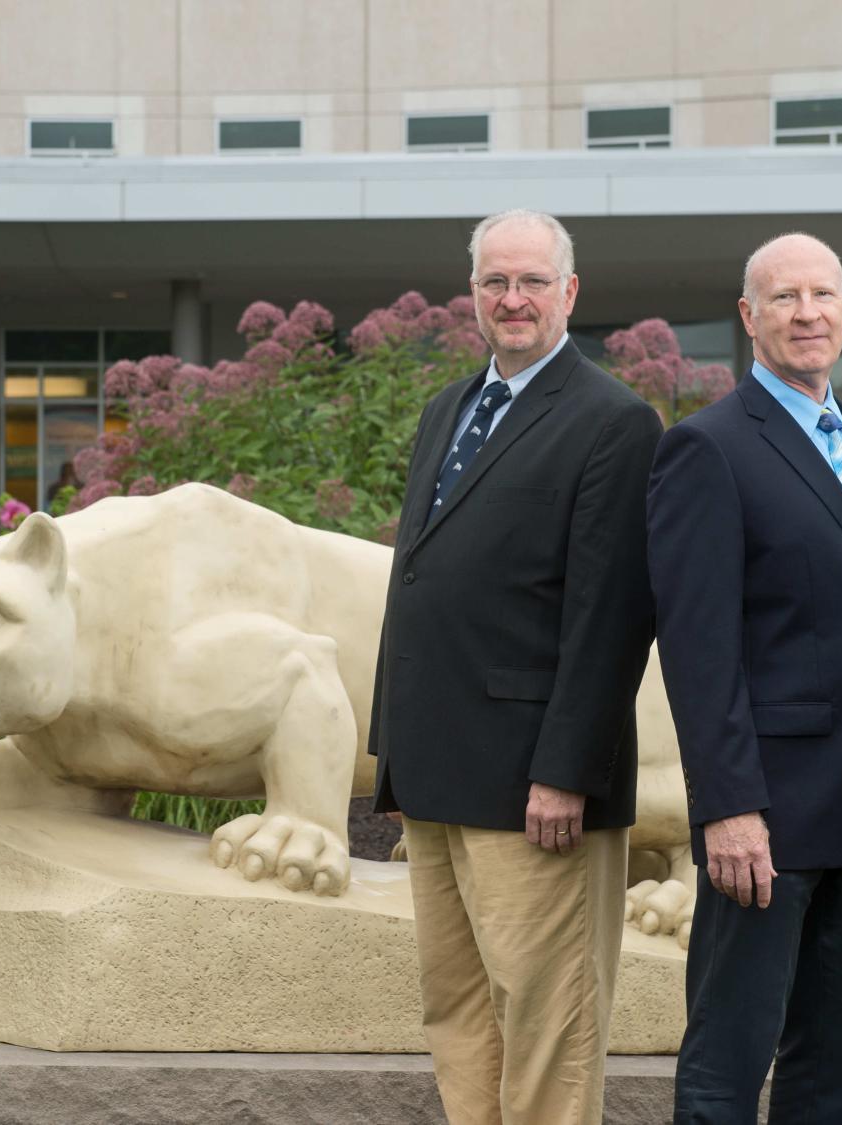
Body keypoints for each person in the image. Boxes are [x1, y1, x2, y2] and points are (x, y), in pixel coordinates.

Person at [646, 232, 842, 1124]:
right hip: (769, 818)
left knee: (841, 1059)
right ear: (749, 317)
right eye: (785, 297)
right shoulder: (707, 449)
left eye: (824, 295)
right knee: (728, 1060)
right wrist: (727, 805)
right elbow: (697, 650)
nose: (807, 313)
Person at [369, 208, 662, 1125]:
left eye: (533, 280)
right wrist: (397, 758)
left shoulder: (615, 422)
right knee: (458, 1013)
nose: (513, 297)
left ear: (570, 292)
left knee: (549, 1025)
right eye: (496, 281)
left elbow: (612, 615)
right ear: (474, 295)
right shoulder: (446, 409)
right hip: (438, 769)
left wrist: (565, 772)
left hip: (536, 786)